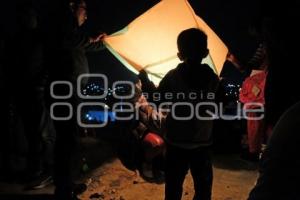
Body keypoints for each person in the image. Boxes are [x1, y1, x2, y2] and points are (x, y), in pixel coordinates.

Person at [46, 0, 107, 199]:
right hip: (65, 92)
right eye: (84, 9)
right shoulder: (62, 29)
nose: (86, 15)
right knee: (66, 140)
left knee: (69, 140)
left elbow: (84, 44)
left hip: (72, 92)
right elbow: (72, 40)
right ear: (72, 7)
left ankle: (66, 184)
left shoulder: (74, 35)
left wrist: (106, 42)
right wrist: (91, 39)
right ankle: (63, 191)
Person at [157, 28, 219, 200]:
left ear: (179, 55)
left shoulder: (172, 77)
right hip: (203, 143)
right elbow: (219, 104)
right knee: (203, 188)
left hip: (176, 143)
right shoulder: (213, 79)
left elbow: (159, 99)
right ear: (206, 53)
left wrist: (146, 81)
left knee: (173, 186)